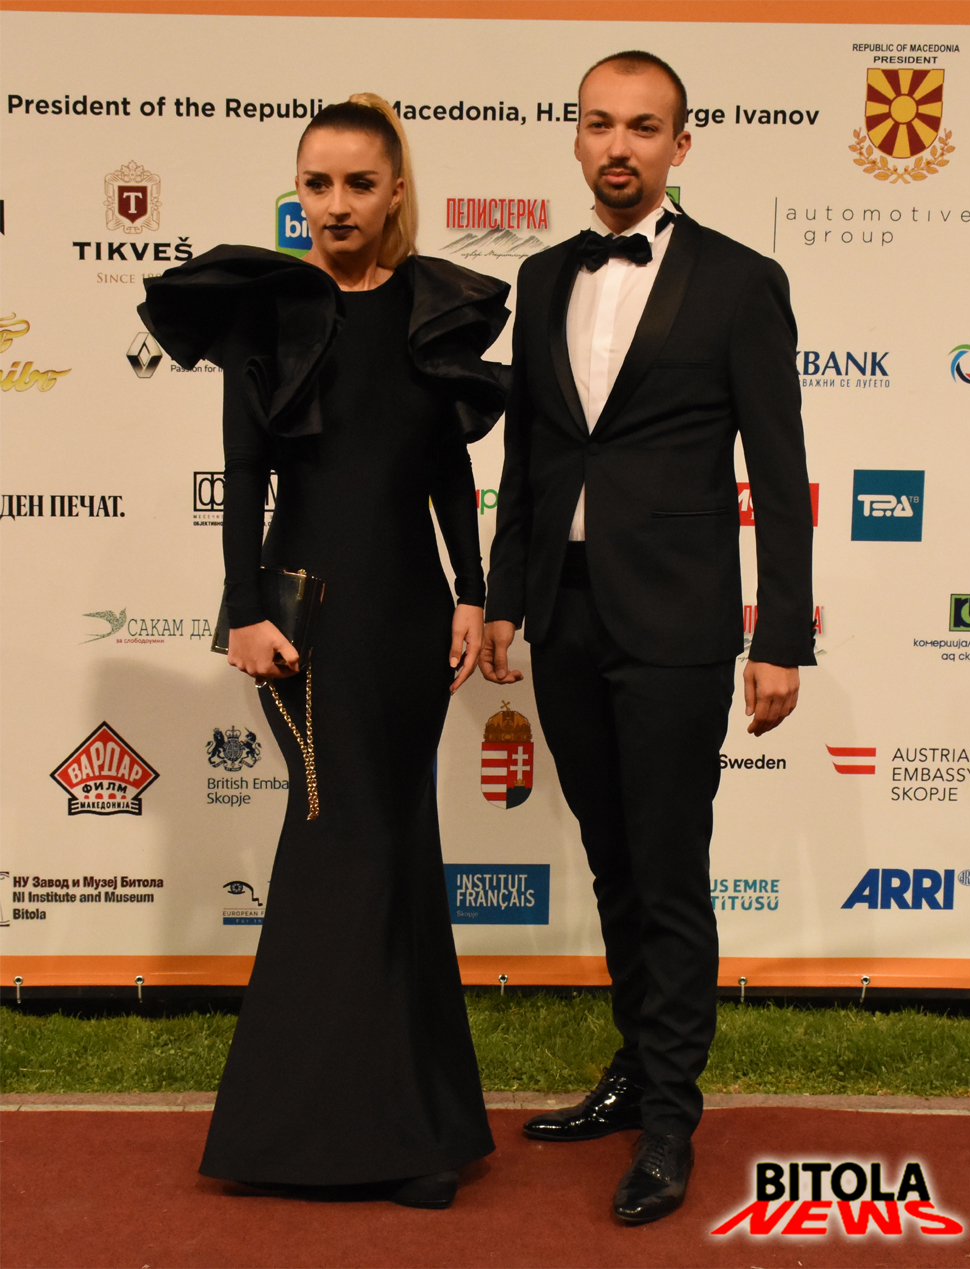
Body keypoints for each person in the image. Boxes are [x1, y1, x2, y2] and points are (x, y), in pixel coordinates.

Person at [139, 94, 510, 1209]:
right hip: (304, 621)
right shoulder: (268, 311)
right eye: (316, 184)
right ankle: (338, 1134)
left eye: (358, 183)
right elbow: (242, 475)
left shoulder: (431, 305)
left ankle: (408, 1122)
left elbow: (446, 469)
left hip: (408, 620)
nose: (335, 204)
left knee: (397, 848)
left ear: (395, 190)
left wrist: (472, 591)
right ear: (296, 191)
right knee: (343, 850)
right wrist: (242, 610)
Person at [480, 52, 815, 1225]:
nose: (617, 146)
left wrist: (780, 637)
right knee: (613, 860)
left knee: (667, 870)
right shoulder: (539, 275)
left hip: (676, 622)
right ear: (576, 138)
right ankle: (634, 1071)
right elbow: (529, 454)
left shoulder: (740, 281)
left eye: (642, 127)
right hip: (564, 614)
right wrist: (503, 596)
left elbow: (779, 470)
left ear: (680, 144)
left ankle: (670, 1117)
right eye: (598, 124)